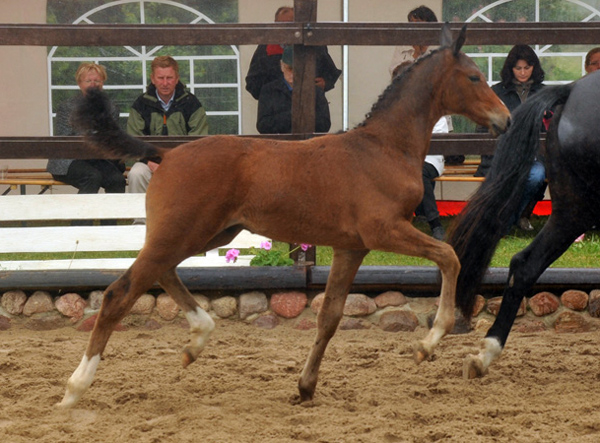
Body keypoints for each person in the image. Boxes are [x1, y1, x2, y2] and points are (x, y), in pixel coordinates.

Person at [474, 45, 546, 231]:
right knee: (508, 177)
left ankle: (512, 217)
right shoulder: (496, 92)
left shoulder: (544, 93)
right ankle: (513, 218)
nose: (523, 73)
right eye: (518, 68)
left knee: (537, 176)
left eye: (527, 68)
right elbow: (482, 127)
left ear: (534, 68)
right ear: (510, 69)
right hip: (502, 154)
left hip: (534, 155)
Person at [126, 55, 208, 219]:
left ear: (177, 78)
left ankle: (186, 224)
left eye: (169, 78)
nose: (165, 83)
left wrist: (173, 164)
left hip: (183, 164)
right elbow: (133, 141)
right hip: (149, 164)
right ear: (153, 79)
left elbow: (199, 141)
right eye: (161, 78)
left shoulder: (191, 103)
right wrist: (149, 162)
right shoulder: (141, 104)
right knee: (136, 174)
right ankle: (141, 223)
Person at [48, 63, 126, 226]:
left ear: (102, 83)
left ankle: (109, 228)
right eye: (88, 81)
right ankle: (80, 228)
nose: (93, 85)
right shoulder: (66, 107)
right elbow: (64, 139)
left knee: (117, 180)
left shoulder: (111, 108)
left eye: (97, 81)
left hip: (97, 160)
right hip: (68, 160)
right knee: (92, 177)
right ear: (79, 83)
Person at [245, 6, 341, 101]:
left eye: (291, 24)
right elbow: (252, 84)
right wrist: (275, 89)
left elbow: (331, 73)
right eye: (283, 24)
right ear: (276, 26)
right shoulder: (266, 48)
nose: (288, 29)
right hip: (275, 109)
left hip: (311, 105)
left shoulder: (314, 46)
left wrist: (325, 83)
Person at [257, 45, 331, 134]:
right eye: (289, 69)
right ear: (282, 66)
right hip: (278, 144)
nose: (292, 74)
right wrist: (294, 114)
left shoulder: (315, 91)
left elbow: (325, 125)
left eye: (297, 69)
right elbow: (263, 126)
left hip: (307, 144)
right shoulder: (269, 91)